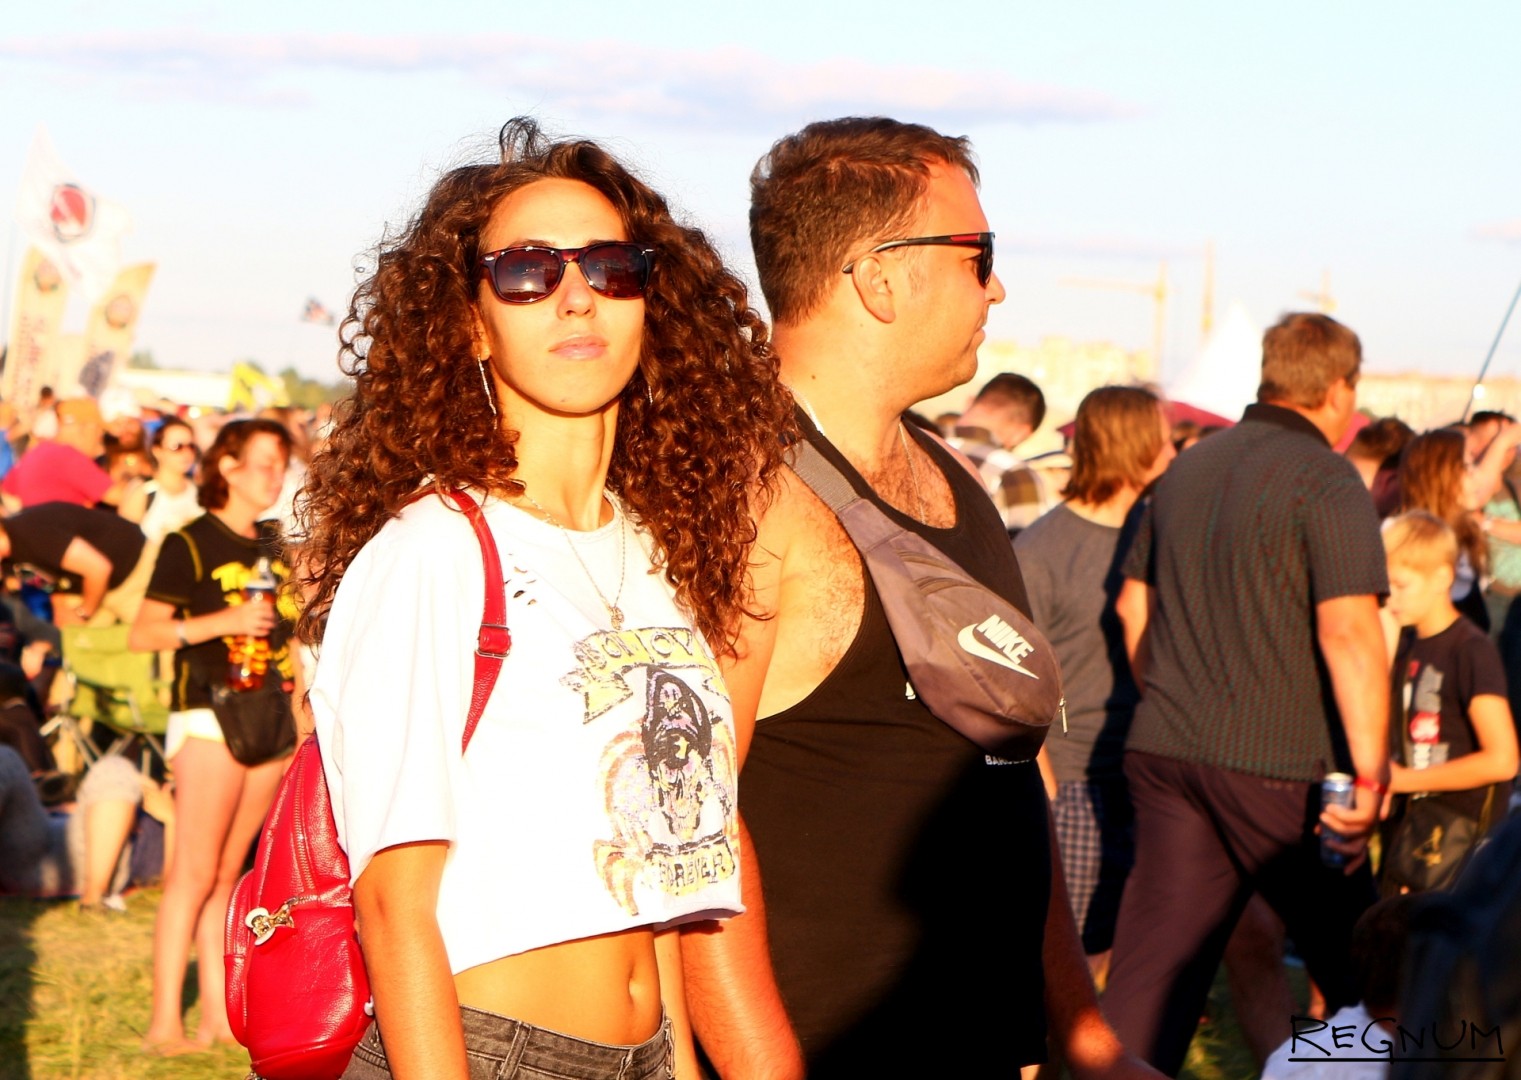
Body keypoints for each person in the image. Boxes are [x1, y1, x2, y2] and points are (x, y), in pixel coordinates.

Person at [297, 118, 790, 1080]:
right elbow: (393, 904)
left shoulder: (652, 550)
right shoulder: (435, 549)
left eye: (612, 267)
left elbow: (653, 865)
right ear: (470, 324)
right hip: (482, 1051)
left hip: (645, 1052)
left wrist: (676, 1066)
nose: (576, 296)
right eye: (526, 271)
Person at [680, 116, 1157, 1078]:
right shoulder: (748, 494)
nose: (996, 287)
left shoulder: (955, 479)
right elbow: (689, 819)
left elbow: (1006, 771)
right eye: (977, 255)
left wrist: (1081, 1029)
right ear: (879, 278)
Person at [1107, 312, 1391, 1076]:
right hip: (1280, 764)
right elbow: (1349, 633)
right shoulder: (1325, 476)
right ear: (1338, 390)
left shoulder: (1185, 468)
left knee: (1151, 974)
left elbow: (1132, 608)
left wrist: (1171, 696)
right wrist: (1372, 776)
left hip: (1167, 749)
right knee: (1371, 968)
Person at [129, 417, 296, 1055]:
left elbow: (289, 639)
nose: (274, 475)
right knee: (192, 874)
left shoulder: (274, 545)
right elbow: (144, 633)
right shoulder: (190, 541)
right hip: (207, 715)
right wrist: (222, 621)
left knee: (230, 873)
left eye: (281, 463)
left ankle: (219, 1020)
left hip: (269, 716)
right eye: (262, 462)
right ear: (227, 466)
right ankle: (163, 1025)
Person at [1016, 385, 1173, 979]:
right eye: (1164, 438)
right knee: (1063, 964)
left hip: (1145, 769)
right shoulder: (1043, 550)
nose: (1173, 451)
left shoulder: (1156, 532)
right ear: (1134, 444)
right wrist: (1048, 789)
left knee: (1125, 954)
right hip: (1075, 779)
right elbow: (1015, 680)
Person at [1380, 511, 1518, 895]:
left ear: (1443, 577)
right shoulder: (1407, 642)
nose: (1390, 597)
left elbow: (1503, 759)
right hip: (1410, 828)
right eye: (1386, 584)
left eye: (1401, 585)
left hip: (1457, 839)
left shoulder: (1470, 650)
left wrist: (1405, 780)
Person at [1398, 429, 1491, 630]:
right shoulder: (1405, 542)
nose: (1476, 475)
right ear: (1439, 475)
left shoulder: (1465, 533)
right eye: (1467, 467)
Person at [0, 501, 146, 626]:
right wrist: (60, 608)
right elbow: (49, 580)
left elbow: (98, 569)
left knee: (146, 637)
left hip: (132, 569)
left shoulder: (30, 531)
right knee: (75, 639)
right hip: (91, 586)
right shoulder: (7, 560)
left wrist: (83, 614)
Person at [946, 371, 1052, 534]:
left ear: (969, 402)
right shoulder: (1014, 475)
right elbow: (1024, 546)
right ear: (1022, 433)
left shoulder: (913, 438)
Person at [1, 397, 139, 510]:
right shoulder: (68, 457)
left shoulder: (41, 450)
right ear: (84, 428)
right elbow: (119, 497)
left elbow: (7, 491)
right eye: (99, 431)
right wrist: (129, 472)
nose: (100, 440)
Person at [120, 416, 202, 545]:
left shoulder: (198, 489)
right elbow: (124, 542)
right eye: (177, 447)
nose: (186, 453)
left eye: (191, 446)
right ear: (157, 450)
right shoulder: (144, 491)